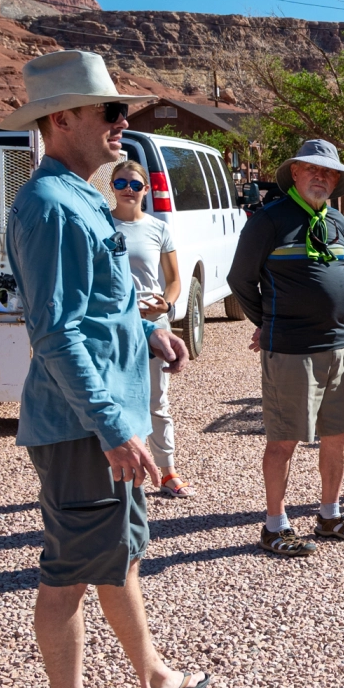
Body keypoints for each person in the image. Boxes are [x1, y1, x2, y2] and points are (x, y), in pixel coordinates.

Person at [0, 51, 205, 688]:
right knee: (68, 571)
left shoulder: (83, 198)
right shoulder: (53, 206)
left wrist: (149, 330)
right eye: (109, 111)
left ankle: (153, 676)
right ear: (62, 119)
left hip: (106, 422)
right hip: (86, 429)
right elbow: (53, 330)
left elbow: (95, 306)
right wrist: (114, 425)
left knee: (115, 555)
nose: (124, 123)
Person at [227, 138, 344, 557]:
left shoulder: (336, 223)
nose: (321, 177)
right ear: (295, 172)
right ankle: (275, 525)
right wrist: (268, 323)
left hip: (340, 346)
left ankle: (329, 515)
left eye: (328, 172)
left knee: (338, 433)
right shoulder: (269, 220)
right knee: (284, 439)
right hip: (291, 350)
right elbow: (240, 281)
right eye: (313, 169)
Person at [107, 158, 191, 498]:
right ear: (111, 187)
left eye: (135, 184)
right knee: (115, 395)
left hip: (153, 322)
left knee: (157, 398)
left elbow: (173, 281)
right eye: (121, 183)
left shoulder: (158, 228)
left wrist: (167, 306)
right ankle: (120, 469)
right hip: (114, 323)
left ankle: (167, 469)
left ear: (147, 189)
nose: (129, 190)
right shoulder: (102, 226)